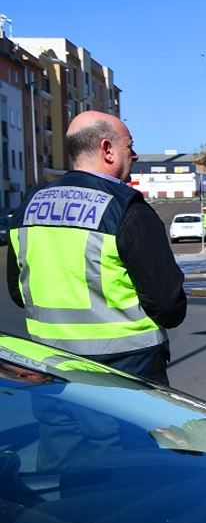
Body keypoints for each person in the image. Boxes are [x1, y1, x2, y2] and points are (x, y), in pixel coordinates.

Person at [6, 111, 187, 385]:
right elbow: (168, 305)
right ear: (107, 149)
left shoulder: (29, 205)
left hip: (52, 367)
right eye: (130, 146)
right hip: (126, 369)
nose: (135, 155)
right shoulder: (127, 209)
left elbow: (18, 291)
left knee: (61, 431)